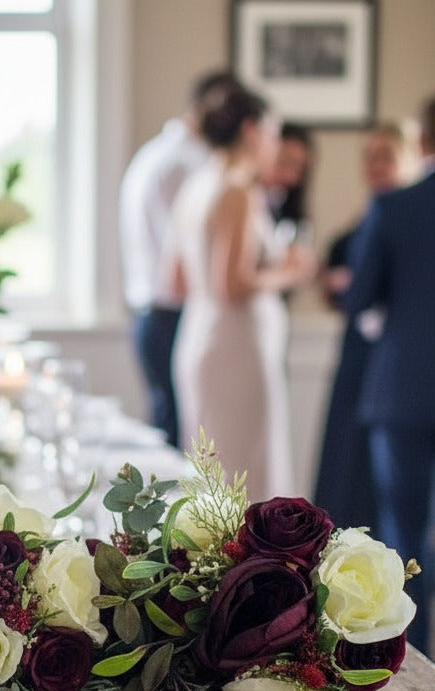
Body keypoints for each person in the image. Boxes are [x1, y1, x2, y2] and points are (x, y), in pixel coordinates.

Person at [169, 85, 316, 502]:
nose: (274, 144)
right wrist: (291, 271)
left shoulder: (196, 185)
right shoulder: (236, 188)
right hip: (236, 349)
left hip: (200, 335)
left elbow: (176, 281)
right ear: (251, 129)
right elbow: (231, 284)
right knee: (243, 476)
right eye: (272, 132)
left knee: (215, 473)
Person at [344, 95, 435, 654]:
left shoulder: (394, 206)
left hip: (404, 390)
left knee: (404, 535)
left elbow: (357, 297)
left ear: (421, 141)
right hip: (403, 393)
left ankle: (412, 656)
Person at [118, 69, 237, 449]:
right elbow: (183, 259)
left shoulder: (153, 153)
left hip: (148, 314)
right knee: (183, 438)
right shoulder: (189, 164)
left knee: (168, 424)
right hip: (173, 315)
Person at [314, 123, 408, 530]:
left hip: (393, 355)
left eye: (385, 154)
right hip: (355, 353)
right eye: (369, 154)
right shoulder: (359, 224)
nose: (376, 164)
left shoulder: (410, 220)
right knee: (344, 456)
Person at [265, 122, 314, 225]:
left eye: (299, 171)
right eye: (286, 162)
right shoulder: (246, 196)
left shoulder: (289, 213)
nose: (290, 176)